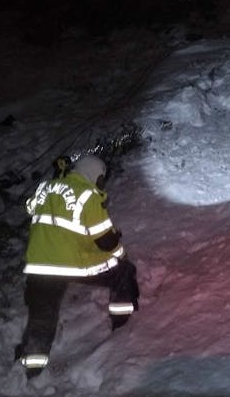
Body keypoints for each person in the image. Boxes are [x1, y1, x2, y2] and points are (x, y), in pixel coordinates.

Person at [16, 154, 139, 378]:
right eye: (101, 178)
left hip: (39, 266)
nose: (101, 182)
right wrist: (122, 255)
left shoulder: (46, 187)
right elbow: (106, 241)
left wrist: (57, 181)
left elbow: (30, 208)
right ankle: (122, 326)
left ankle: (31, 368)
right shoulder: (88, 195)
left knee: (42, 317)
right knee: (123, 272)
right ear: (94, 174)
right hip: (75, 265)